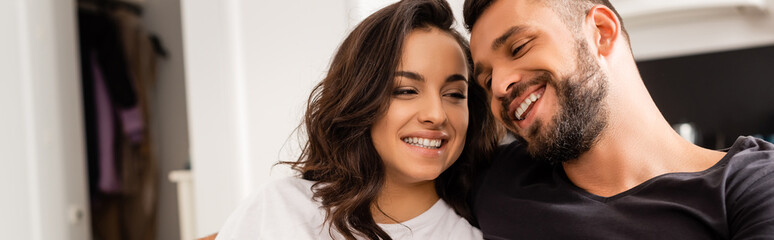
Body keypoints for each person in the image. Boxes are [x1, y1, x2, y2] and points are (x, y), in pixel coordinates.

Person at [462, 0, 774, 239]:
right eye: (486, 81)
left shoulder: (753, 185)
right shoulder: (493, 177)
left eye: (519, 47)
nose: (500, 87)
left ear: (601, 31)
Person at [214, 0, 498, 239]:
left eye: (454, 94)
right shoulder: (279, 209)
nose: (436, 115)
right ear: (362, 99)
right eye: (406, 91)